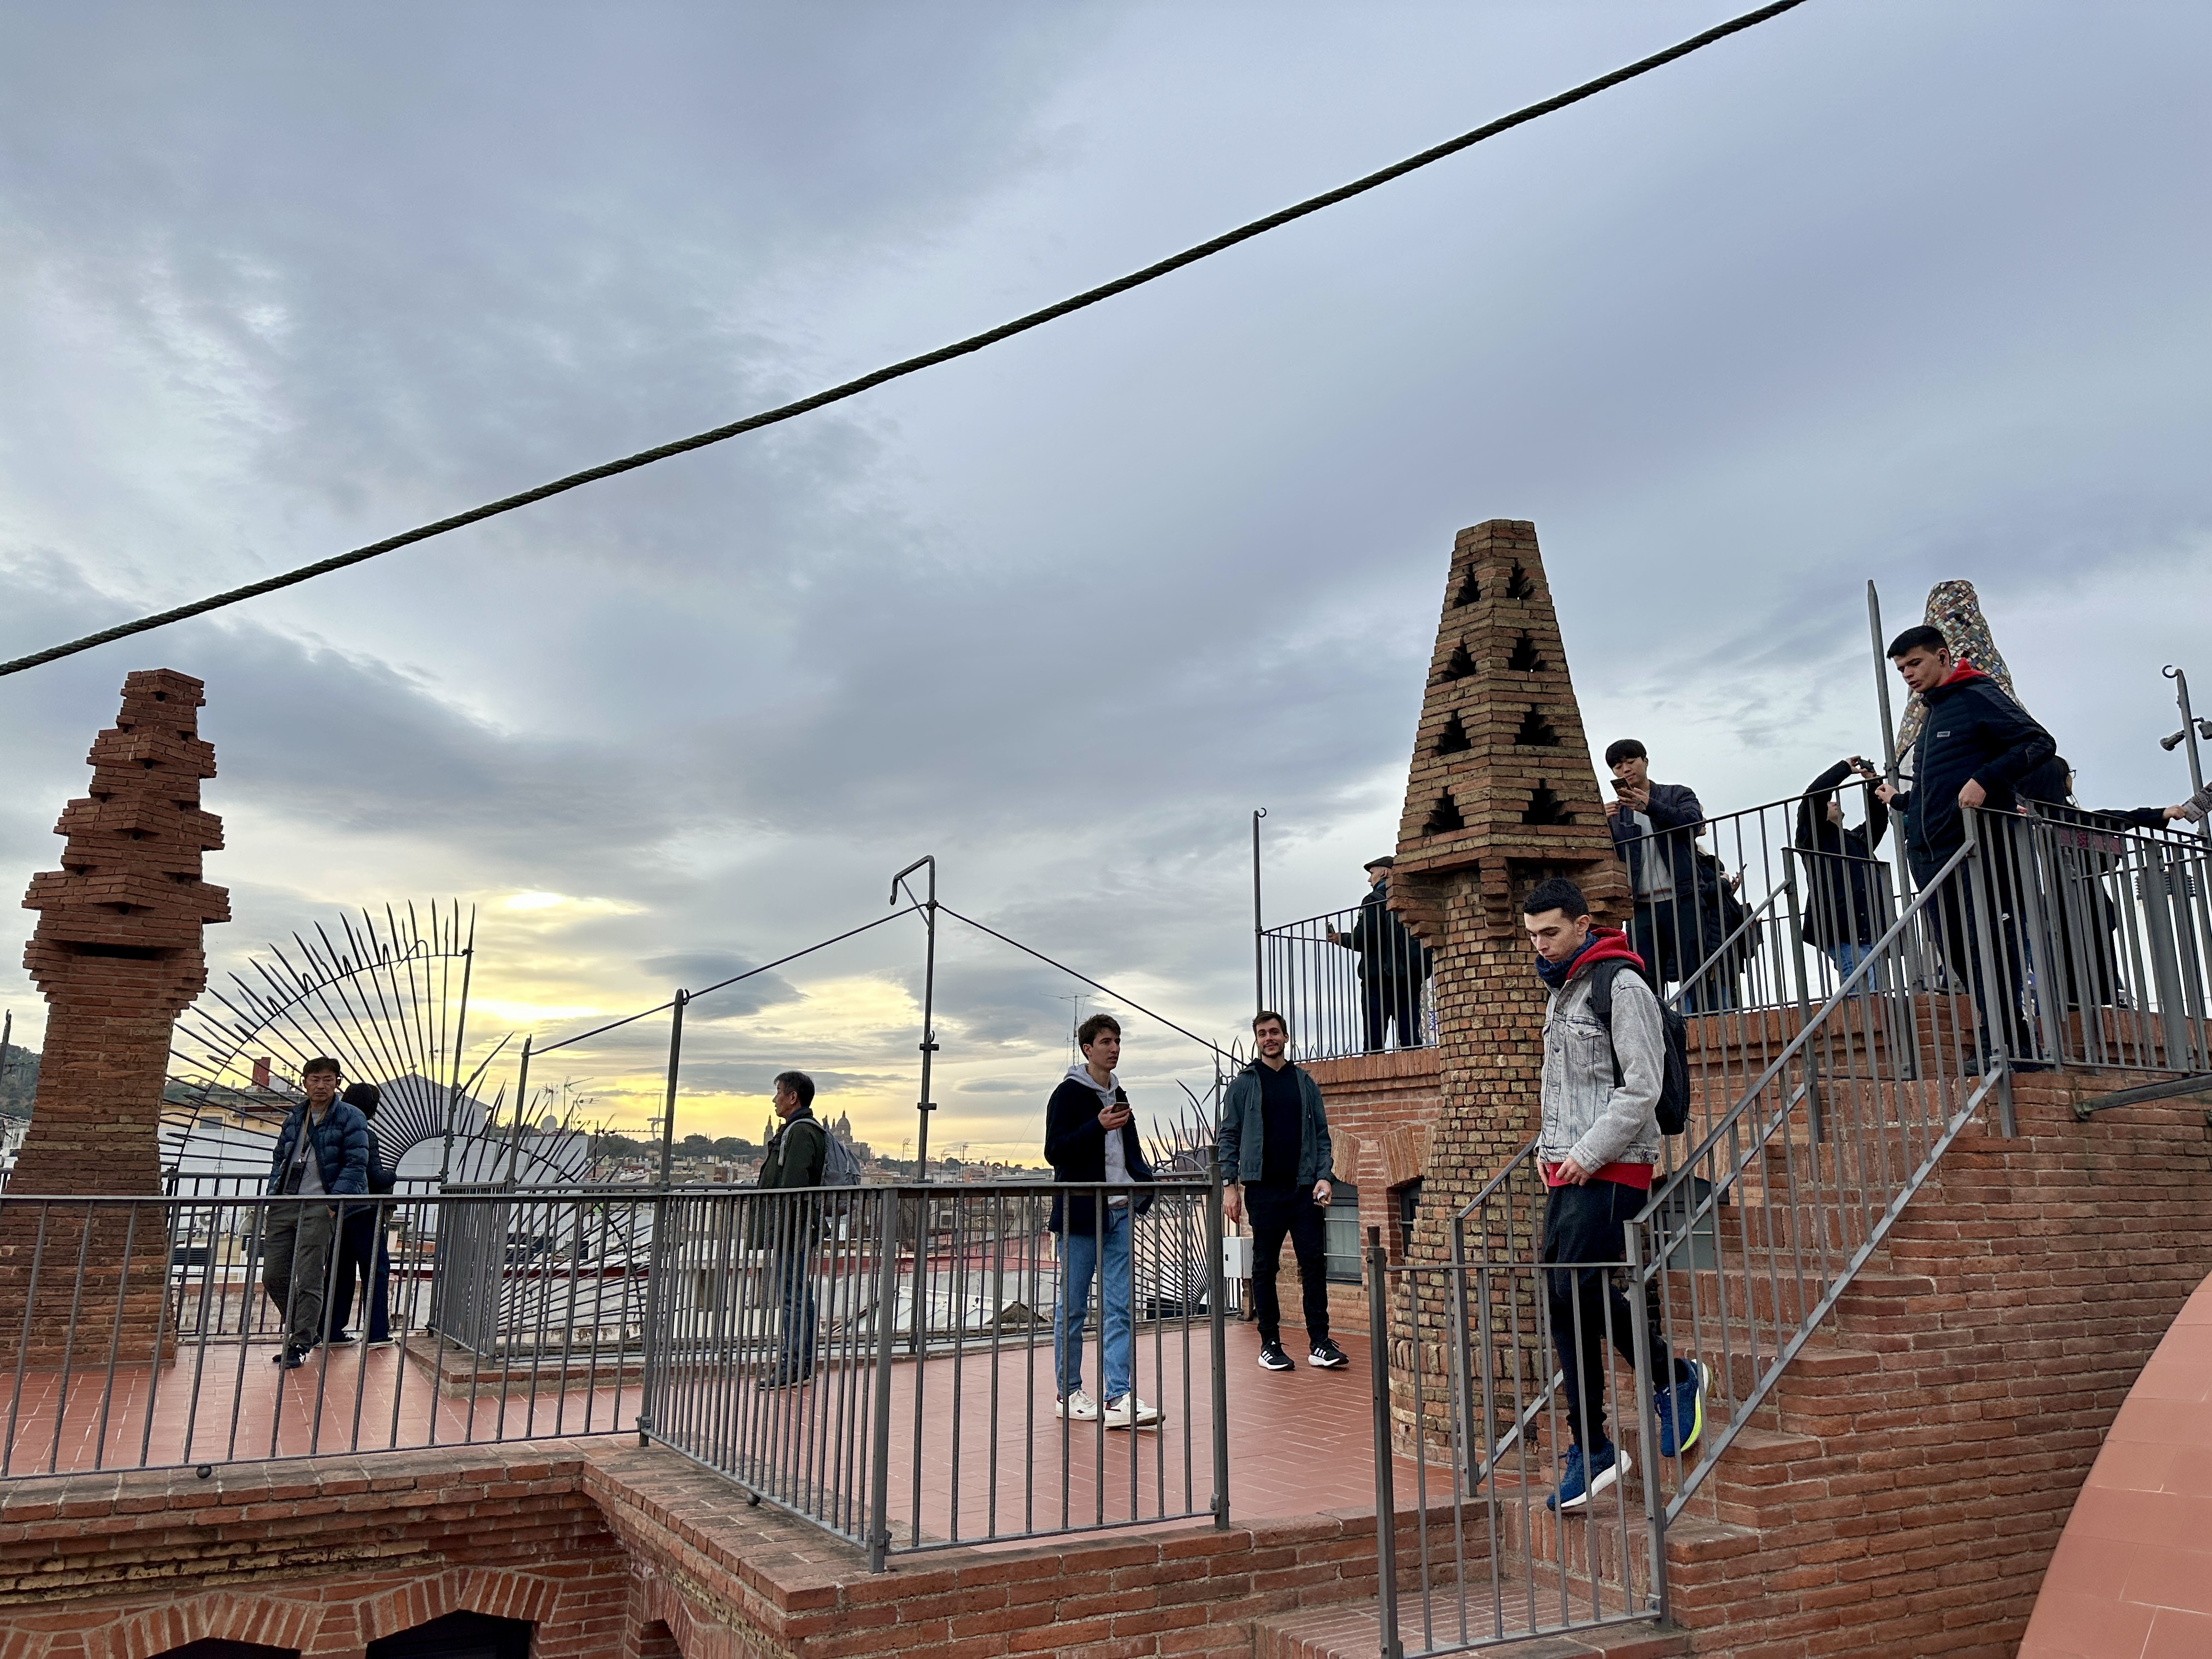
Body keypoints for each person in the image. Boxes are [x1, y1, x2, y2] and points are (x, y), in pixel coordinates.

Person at [1522, 878, 1708, 1513]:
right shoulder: (1563, 988)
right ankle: (1623, 1417)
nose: (1541, 945)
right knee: (1568, 1294)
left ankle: (1638, 1409)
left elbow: (1642, 1088)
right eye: (1532, 935)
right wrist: (1548, 1148)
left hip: (1614, 1163)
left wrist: (1584, 1152)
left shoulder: (1621, 985)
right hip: (1568, 1166)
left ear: (1582, 925)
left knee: (1575, 1287)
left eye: (1550, 932)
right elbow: (1565, 1086)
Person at [1876, 624, 2056, 1071]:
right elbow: (1938, 791)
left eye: (1914, 663)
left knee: (1988, 945)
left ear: (1942, 657)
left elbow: (2039, 744)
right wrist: (1900, 802)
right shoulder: (1933, 714)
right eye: (1901, 669)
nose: (1908, 674)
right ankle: (2003, 1038)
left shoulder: (1976, 694)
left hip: (1977, 850)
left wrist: (1984, 780)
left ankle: (2006, 1042)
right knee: (1958, 953)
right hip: (1931, 856)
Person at [1044, 1015, 1161, 1429]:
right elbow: (1055, 1151)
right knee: (1073, 1308)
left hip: (1119, 1211)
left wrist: (1142, 1185)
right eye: (1106, 1042)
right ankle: (1069, 1393)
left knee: (1119, 1306)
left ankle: (1119, 1396)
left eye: (1118, 1041)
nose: (1114, 1048)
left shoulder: (1119, 1093)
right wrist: (1096, 1126)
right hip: (1080, 1214)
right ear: (1087, 1049)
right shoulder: (1067, 1094)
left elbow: (1129, 1150)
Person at [1217, 1011, 1346, 1374]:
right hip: (1263, 1190)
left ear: (1286, 1037)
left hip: (1304, 1190)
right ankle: (1270, 1344)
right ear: (1257, 1040)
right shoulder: (1244, 1084)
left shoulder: (1304, 1083)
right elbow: (1228, 1136)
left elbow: (1322, 1135)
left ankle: (1320, 1343)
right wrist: (1229, 1187)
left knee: (1314, 1264)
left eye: (1274, 1032)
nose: (1269, 1038)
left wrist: (1324, 1177)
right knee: (1264, 1267)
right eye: (1262, 1034)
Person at [262, 1058, 371, 1369]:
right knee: (273, 1274)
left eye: (327, 1079)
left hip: (319, 1206)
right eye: (315, 1079)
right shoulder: (295, 1116)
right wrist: (273, 1194)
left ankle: (299, 1342)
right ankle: (306, 1327)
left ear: (337, 1082)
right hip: (285, 1203)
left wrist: (333, 1203)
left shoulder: (351, 1116)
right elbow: (280, 1158)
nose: (321, 1085)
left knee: (310, 1275)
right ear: (305, 1082)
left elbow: (356, 1163)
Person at [1604, 740, 1725, 1012]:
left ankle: (1709, 1024)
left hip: (1684, 898)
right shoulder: (1616, 813)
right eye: (1618, 767)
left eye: (1631, 762)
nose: (1625, 769)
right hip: (1641, 906)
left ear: (1645, 761)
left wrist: (1651, 806)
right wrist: (1600, 822)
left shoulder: (1676, 794)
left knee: (1696, 970)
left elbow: (1693, 823)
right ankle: (1657, 1029)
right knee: (1645, 978)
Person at [755, 1070, 827, 1389]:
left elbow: (793, 1186)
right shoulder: (802, 1130)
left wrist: (778, 1228)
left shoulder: (799, 1133)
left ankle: (793, 1367)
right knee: (798, 1296)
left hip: (792, 1228)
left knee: (792, 1298)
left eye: (779, 1092)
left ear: (793, 1097)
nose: (775, 1100)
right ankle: (800, 1365)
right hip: (795, 1226)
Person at [1796, 758, 1892, 988]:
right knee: (1864, 992)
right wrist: (1844, 769)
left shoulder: (1856, 840)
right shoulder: (1814, 838)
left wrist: (1873, 783)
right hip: (1842, 927)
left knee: (1876, 996)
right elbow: (1813, 798)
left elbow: (1878, 821)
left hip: (1869, 927)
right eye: (1829, 802)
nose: (1834, 802)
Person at [1327, 856, 1431, 1052]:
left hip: (1378, 982)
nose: (1369, 879)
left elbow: (1362, 939)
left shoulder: (1373, 900)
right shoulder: (1412, 899)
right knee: (1411, 1039)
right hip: (1408, 980)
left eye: (1372, 873)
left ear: (1384, 873)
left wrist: (1340, 938)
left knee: (1375, 1044)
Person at [328, 1081, 394, 1349]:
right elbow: (374, 1175)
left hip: (337, 1210)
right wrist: (392, 1176)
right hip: (364, 1211)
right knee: (376, 1270)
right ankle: (377, 1332)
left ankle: (331, 1331)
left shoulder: (332, 1131)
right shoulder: (365, 1133)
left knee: (339, 1271)